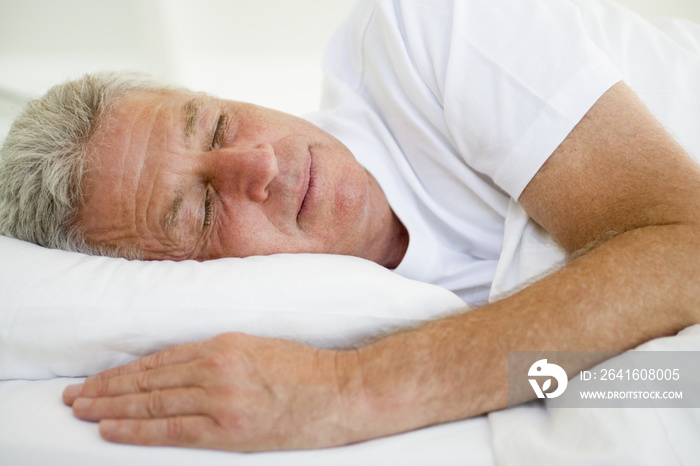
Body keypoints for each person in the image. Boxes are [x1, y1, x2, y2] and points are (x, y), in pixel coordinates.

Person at [2, 0, 700, 452]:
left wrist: (350, 390)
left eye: (216, 122)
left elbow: (688, 246)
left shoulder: (424, 31)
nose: (256, 163)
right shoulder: (335, 315)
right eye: (202, 209)